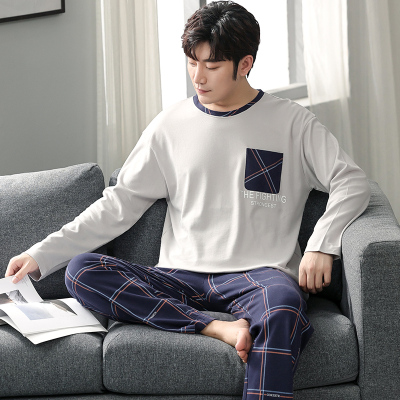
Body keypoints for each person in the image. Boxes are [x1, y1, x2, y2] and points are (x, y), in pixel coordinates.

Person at [6, 1, 370, 398]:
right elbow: (118, 204)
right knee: (81, 271)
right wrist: (42, 254)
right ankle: (213, 327)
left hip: (259, 276)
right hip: (180, 278)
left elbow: (351, 181)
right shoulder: (169, 126)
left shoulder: (293, 123)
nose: (198, 76)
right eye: (192, 62)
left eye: (212, 66)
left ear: (245, 64)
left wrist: (321, 245)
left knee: (283, 305)